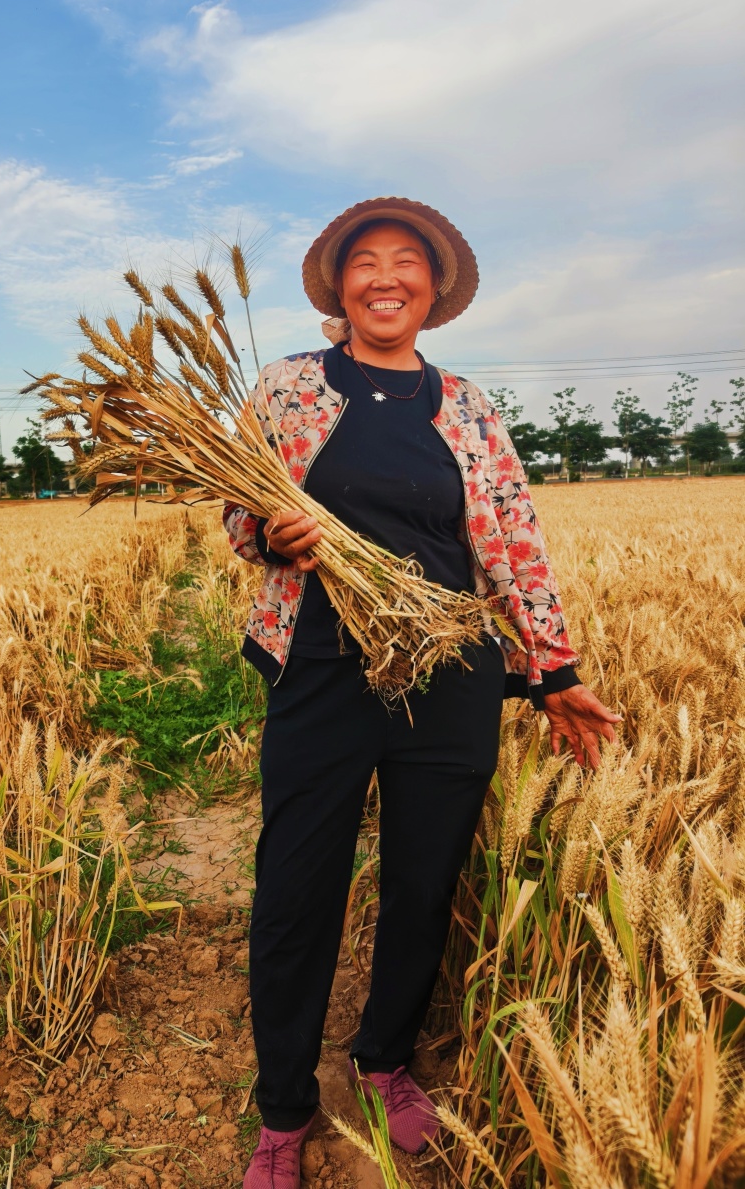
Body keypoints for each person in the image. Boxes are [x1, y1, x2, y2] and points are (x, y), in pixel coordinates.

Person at [222, 198, 620, 1189]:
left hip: (450, 669)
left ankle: (384, 1057)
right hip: (322, 666)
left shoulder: (469, 405)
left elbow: (514, 542)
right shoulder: (286, 388)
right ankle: (282, 1107)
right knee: (295, 888)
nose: (385, 276)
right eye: (366, 261)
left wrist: (553, 671)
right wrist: (272, 533)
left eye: (407, 262)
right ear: (339, 284)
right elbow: (239, 505)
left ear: (434, 291)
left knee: (423, 877)